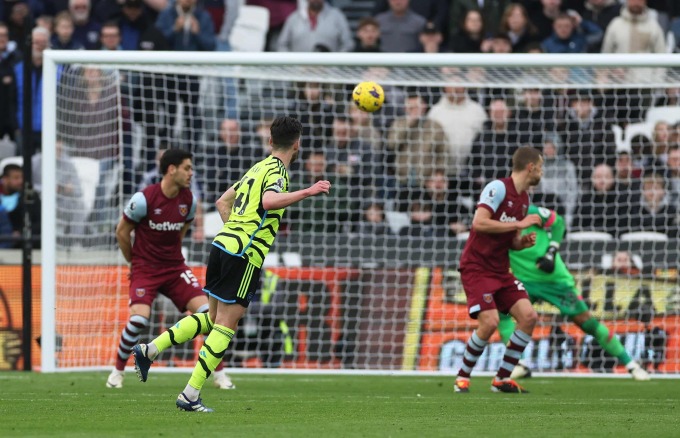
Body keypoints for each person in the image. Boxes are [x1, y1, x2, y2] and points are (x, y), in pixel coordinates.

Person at [132, 117, 331, 412]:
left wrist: (235, 232)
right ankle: (190, 394)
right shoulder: (278, 171)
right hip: (244, 254)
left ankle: (150, 349)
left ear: (270, 141)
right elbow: (269, 201)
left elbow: (223, 201)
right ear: (297, 144)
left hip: (223, 246)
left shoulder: (258, 167)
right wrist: (307, 191)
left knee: (213, 319)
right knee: (227, 325)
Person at [105, 149, 233, 390]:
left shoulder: (189, 201)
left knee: (211, 316)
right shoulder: (144, 199)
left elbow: (182, 232)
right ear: (171, 169)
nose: (191, 173)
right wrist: (135, 262)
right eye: (187, 168)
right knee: (139, 320)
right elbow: (122, 232)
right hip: (145, 269)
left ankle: (220, 375)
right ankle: (117, 372)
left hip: (175, 268)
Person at [497, 205, 651, 381]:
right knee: (502, 315)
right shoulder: (493, 223)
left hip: (554, 280)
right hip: (524, 282)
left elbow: (559, 223)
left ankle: (631, 365)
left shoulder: (529, 211)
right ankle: (519, 364)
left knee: (587, 323)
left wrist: (551, 251)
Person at [455, 146, 543, 394]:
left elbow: (511, 239)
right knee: (490, 321)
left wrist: (521, 242)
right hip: (477, 266)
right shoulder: (498, 188)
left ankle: (502, 378)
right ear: (531, 167)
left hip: (500, 269)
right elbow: (479, 223)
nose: (541, 172)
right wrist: (519, 224)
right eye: (541, 166)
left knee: (528, 317)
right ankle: (462, 377)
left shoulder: (525, 199)